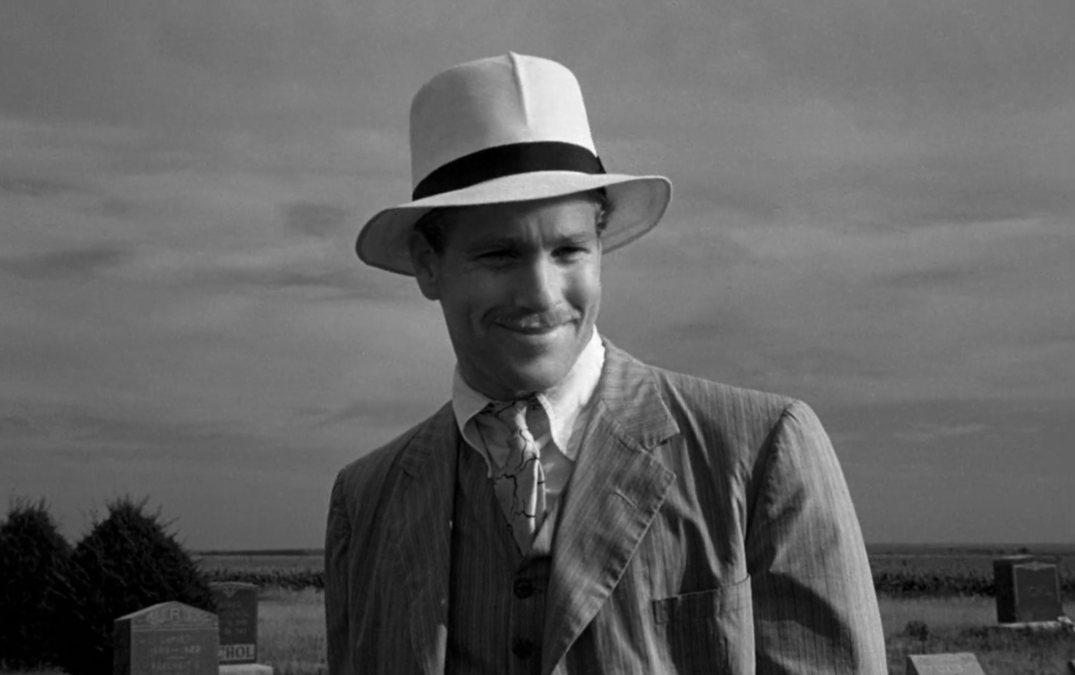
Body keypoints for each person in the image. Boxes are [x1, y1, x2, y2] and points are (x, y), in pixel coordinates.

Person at [325, 52, 887, 675]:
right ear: (428, 264)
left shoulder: (760, 454)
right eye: (499, 254)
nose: (541, 293)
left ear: (600, 244)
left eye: (568, 249)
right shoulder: (366, 501)